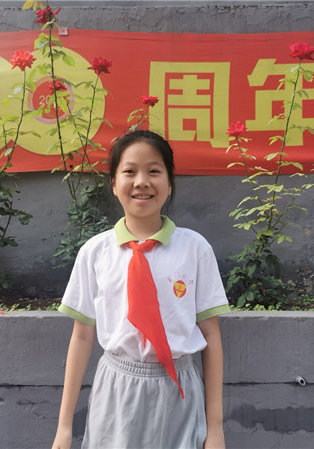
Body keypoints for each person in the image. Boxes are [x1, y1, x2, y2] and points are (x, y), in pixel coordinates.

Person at [51, 130, 230, 449]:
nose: (142, 181)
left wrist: (215, 427)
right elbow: (82, 337)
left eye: (154, 171)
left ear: (170, 183)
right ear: (114, 183)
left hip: (179, 390)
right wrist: (64, 428)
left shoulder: (194, 249)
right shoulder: (96, 252)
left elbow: (211, 335)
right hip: (117, 391)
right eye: (130, 171)